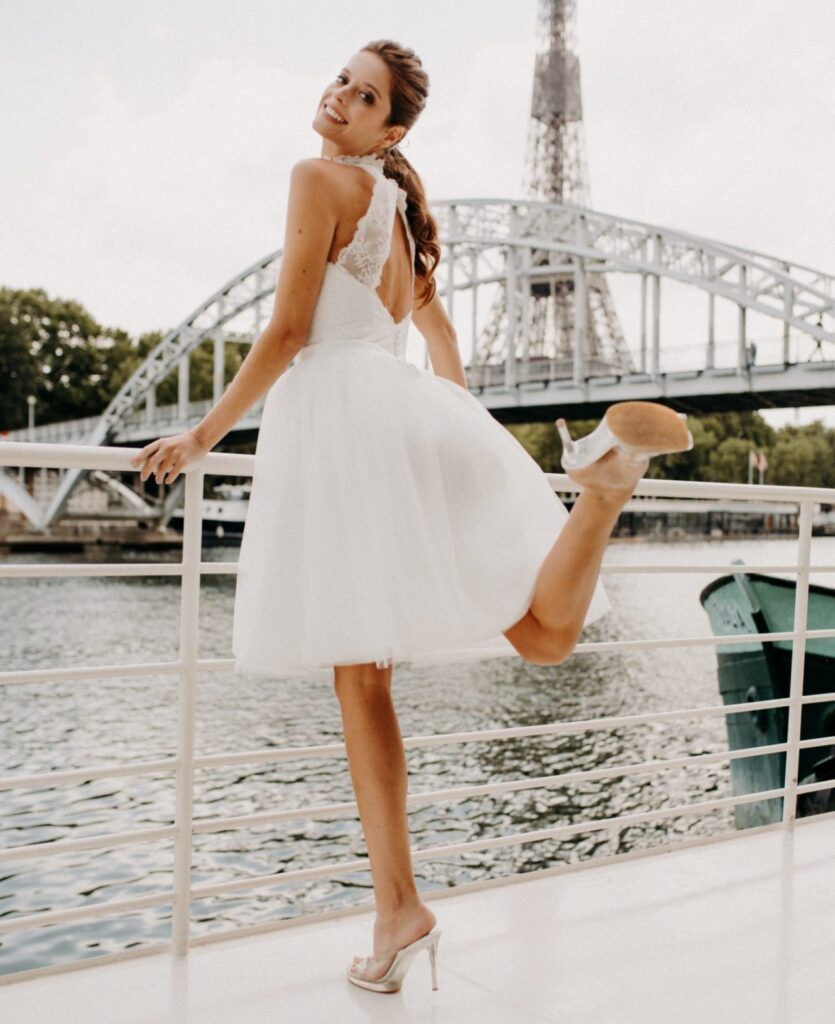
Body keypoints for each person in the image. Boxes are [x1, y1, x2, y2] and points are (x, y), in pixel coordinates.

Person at [129, 40, 692, 995]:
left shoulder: (319, 179)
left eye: (365, 96)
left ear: (389, 128)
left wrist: (204, 436)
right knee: (541, 638)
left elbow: (288, 331)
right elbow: (433, 331)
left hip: (344, 426)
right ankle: (599, 490)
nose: (340, 98)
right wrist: (453, 428)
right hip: (408, 413)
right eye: (341, 81)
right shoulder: (396, 208)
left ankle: (399, 909)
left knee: (361, 680)